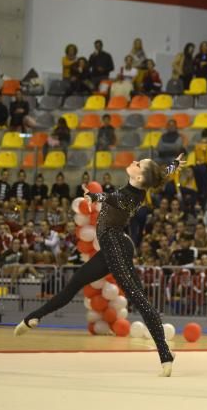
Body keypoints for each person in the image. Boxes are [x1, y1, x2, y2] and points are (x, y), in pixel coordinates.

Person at [15, 155, 184, 376]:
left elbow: (111, 198)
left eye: (138, 164)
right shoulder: (137, 186)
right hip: (110, 249)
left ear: (140, 175)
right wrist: (173, 165)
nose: (133, 162)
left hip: (118, 248)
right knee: (73, 284)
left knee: (139, 299)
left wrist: (94, 196)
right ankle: (32, 318)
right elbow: (158, 172)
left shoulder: (129, 196)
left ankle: (165, 354)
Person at [192, 128, 207, 207]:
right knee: (205, 189)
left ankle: (199, 204)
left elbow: (195, 157)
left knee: (199, 187)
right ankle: (203, 205)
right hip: (204, 167)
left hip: (197, 167)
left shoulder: (197, 145)